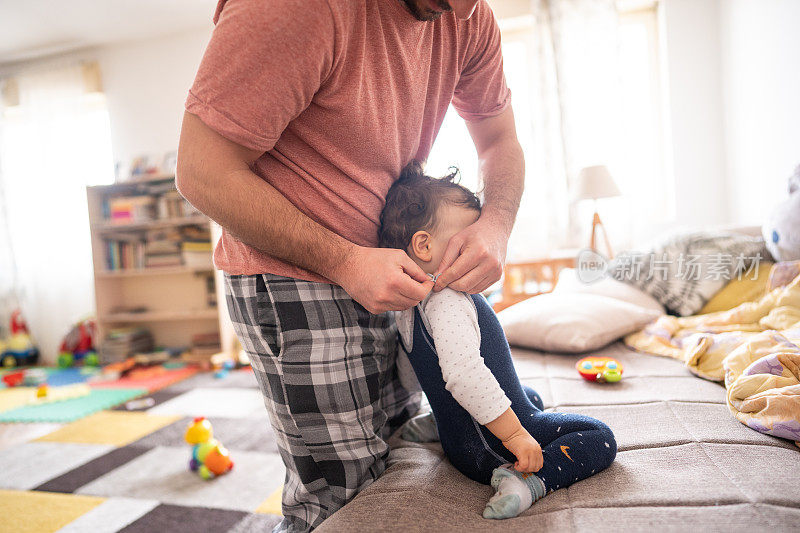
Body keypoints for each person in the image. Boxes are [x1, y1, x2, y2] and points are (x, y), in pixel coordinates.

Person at [176, 0, 524, 530]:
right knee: (340, 501)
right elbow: (201, 171)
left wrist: (495, 226)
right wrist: (344, 260)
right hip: (295, 277)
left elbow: (499, 139)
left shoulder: (469, 16)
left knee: (399, 465)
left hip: (392, 273)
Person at [380, 161, 618, 519]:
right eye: (467, 239)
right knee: (599, 437)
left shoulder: (406, 308)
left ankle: (439, 421)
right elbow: (462, 375)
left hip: (459, 441)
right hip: (492, 449)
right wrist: (516, 437)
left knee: (530, 394)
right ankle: (525, 480)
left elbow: (413, 377)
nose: (481, 249)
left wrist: (449, 412)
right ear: (425, 246)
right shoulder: (449, 300)